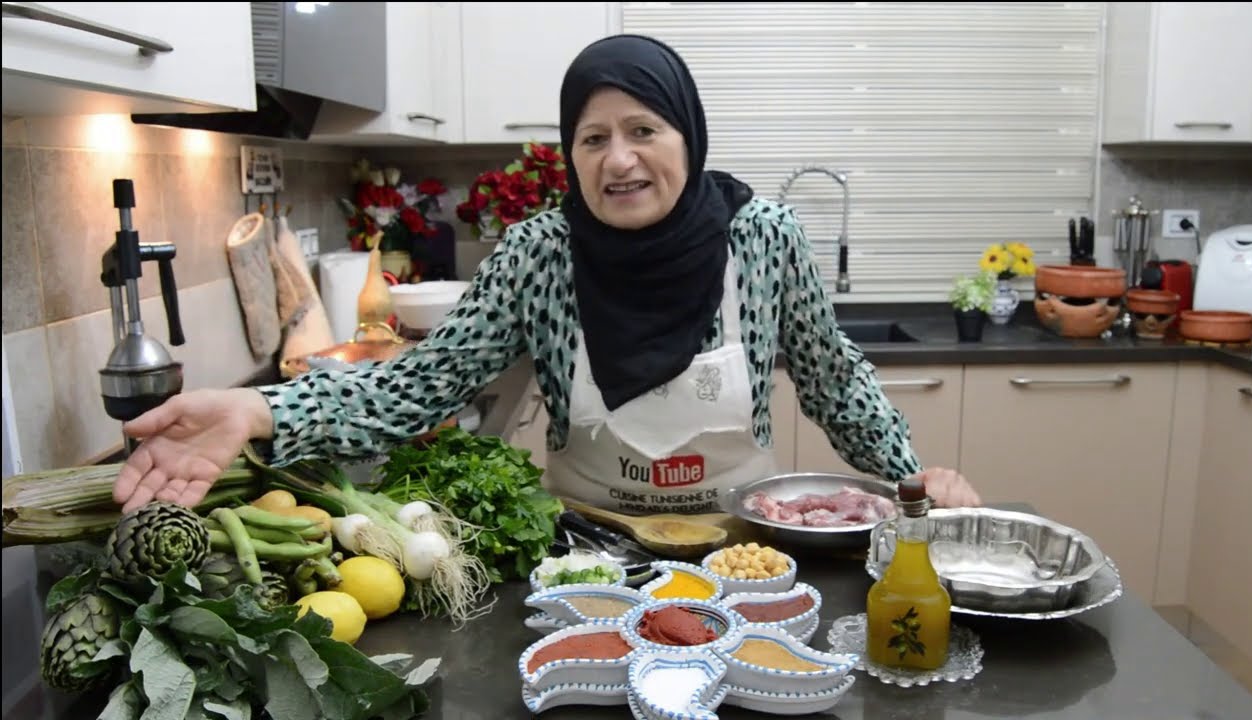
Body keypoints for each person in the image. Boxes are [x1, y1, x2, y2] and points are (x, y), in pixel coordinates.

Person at [112, 34, 981, 516]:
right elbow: (418, 385)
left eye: (643, 130)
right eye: (593, 138)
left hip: (737, 550)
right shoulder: (539, 252)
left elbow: (835, 383)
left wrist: (915, 478)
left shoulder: (764, 239)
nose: (619, 160)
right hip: (587, 550)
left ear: (688, 135)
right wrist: (264, 409)